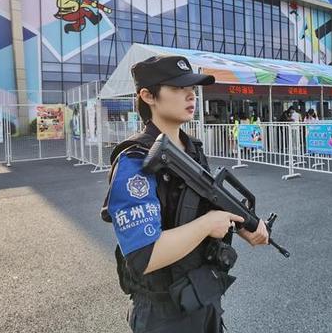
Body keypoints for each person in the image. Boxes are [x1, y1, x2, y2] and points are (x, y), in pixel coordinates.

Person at [101, 55, 269, 333]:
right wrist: (206, 225)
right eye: (178, 88)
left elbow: (206, 204)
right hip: (163, 312)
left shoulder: (192, 149)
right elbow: (145, 255)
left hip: (202, 297)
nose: (191, 94)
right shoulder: (135, 160)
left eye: (192, 88)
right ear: (148, 95)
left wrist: (242, 224)